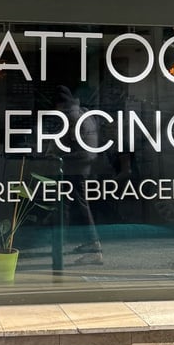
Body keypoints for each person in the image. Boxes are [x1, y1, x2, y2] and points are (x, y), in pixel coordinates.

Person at [53, 85, 103, 264]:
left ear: (60, 104)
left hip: (76, 168)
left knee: (81, 207)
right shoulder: (83, 112)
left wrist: (59, 157)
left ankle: (94, 248)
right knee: (70, 205)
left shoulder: (72, 117)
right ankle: (87, 243)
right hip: (82, 168)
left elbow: (83, 151)